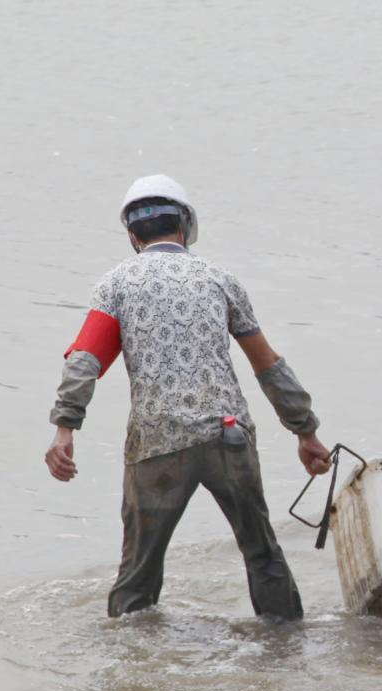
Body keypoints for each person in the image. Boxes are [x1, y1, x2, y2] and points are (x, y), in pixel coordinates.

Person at [44, 174, 332, 620]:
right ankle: (286, 660)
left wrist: (65, 429)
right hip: (228, 437)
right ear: (185, 226)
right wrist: (306, 432)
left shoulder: (116, 284)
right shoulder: (219, 278)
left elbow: (85, 360)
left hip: (157, 443)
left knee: (137, 575)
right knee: (262, 555)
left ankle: (135, 672)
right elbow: (266, 363)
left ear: (132, 234)